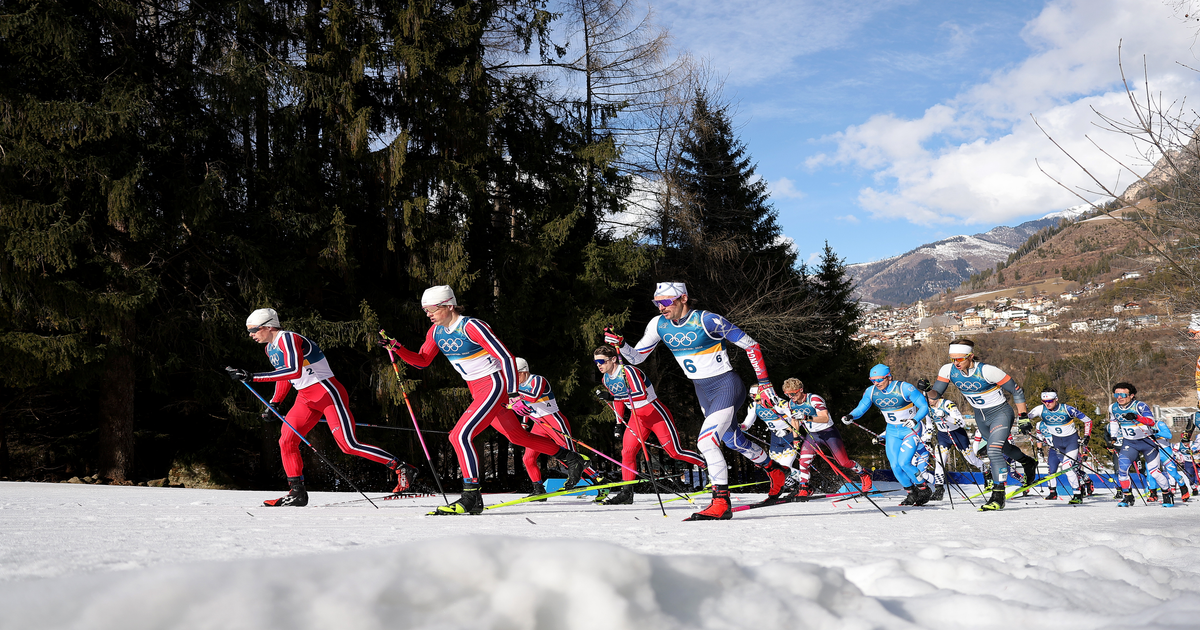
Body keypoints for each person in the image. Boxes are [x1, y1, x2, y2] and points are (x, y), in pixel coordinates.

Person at [380, 286, 587, 515]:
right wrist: (396, 347)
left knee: (459, 435)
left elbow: (506, 357)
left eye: (432, 309)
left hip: (494, 384)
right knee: (517, 436)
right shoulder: (436, 331)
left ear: (449, 306)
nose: (428, 314)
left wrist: (513, 392)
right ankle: (572, 458)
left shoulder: (472, 326)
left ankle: (470, 496)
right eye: (425, 310)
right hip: (476, 388)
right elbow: (422, 361)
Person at [603, 282, 792, 520]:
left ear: (683, 298)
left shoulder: (707, 320)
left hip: (726, 385)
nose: (661, 307)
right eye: (656, 303)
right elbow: (638, 357)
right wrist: (622, 345)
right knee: (733, 440)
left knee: (706, 442)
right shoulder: (658, 324)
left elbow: (751, 345)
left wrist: (764, 384)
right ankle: (776, 471)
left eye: (665, 302)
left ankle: (721, 502)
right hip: (703, 391)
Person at [226, 308, 415, 507]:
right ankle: (297, 492)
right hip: (305, 398)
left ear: (269, 326)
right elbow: (285, 376)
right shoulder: (270, 348)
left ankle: (402, 467)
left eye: (254, 330)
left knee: (348, 445)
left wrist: (252, 376)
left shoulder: (287, 338)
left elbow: (294, 370)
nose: (251, 335)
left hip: (327, 393)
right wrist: (275, 403)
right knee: (286, 440)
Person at [929, 338, 1038, 511]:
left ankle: (998, 495)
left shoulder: (988, 371)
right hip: (980, 417)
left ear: (971, 356)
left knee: (993, 450)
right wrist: (928, 389)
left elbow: (1016, 390)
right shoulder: (947, 370)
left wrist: (1023, 415)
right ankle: (1028, 463)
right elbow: (935, 396)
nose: (955, 363)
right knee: (1003, 448)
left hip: (1000, 413)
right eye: (952, 359)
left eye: (960, 359)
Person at [594, 346, 707, 506]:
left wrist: (613, 397)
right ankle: (627, 493)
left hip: (655, 413)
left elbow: (641, 394)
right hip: (637, 417)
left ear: (613, 359)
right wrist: (619, 423)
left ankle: (708, 465)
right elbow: (619, 403)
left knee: (674, 452)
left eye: (601, 361)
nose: (599, 365)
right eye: (596, 362)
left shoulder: (628, 372)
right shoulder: (606, 379)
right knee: (627, 452)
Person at [514, 357, 606, 501]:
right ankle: (539, 489)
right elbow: (525, 406)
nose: (514, 379)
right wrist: (524, 423)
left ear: (523, 371)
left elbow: (532, 397)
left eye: (516, 374)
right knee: (528, 458)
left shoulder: (537, 380)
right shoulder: (517, 387)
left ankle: (601, 482)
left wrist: (514, 397)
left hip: (554, 422)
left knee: (571, 458)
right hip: (539, 425)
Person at [842, 364, 932, 506]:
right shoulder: (871, 391)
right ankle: (911, 492)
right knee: (895, 466)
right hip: (892, 432)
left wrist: (915, 420)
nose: (876, 383)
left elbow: (924, 406)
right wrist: (851, 416)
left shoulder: (904, 388)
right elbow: (862, 407)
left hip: (910, 430)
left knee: (904, 462)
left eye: (880, 380)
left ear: (889, 377)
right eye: (873, 380)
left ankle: (924, 488)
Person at [776, 378, 871, 500]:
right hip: (813, 436)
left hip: (828, 433)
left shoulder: (814, 399)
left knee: (843, 462)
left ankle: (863, 473)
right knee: (803, 461)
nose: (791, 397)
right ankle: (804, 489)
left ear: (801, 390)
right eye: (787, 394)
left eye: (793, 393)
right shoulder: (791, 403)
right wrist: (795, 438)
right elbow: (795, 420)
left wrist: (806, 417)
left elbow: (824, 417)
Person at [916, 378, 987, 501]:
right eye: (927, 399)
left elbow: (961, 422)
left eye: (930, 399)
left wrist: (946, 416)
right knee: (939, 462)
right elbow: (929, 425)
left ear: (937, 397)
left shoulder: (947, 404)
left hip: (957, 434)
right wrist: (927, 439)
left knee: (971, 460)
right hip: (943, 436)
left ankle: (987, 472)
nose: (929, 401)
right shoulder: (927, 408)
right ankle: (939, 489)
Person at [1108, 382, 1175, 507]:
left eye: (1123, 394)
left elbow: (1150, 421)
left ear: (1132, 395)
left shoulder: (1140, 406)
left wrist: (1136, 417)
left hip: (1147, 442)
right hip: (1129, 443)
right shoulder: (1113, 407)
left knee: (1154, 472)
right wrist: (1113, 437)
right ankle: (1128, 496)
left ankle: (1167, 493)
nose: (1119, 397)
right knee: (1122, 471)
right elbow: (1113, 421)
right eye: (1116, 394)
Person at [1026, 390, 1092, 504]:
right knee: (1057, 469)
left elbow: (1088, 420)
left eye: (1050, 401)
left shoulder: (1067, 409)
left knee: (1067, 467)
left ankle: (1077, 494)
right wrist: (1024, 425)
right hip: (1057, 444)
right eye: (1044, 401)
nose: (1047, 404)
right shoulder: (1039, 409)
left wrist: (1087, 436)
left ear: (1056, 399)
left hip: (1071, 442)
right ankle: (1060, 491)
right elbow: (1025, 419)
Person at [739, 384, 803, 499]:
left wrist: (787, 430)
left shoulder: (780, 403)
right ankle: (794, 487)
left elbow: (797, 421)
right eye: (752, 397)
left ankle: (805, 483)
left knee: (785, 466)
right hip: (775, 438)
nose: (755, 400)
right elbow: (746, 424)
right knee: (775, 468)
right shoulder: (754, 406)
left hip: (789, 437)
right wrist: (740, 427)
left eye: (757, 397)